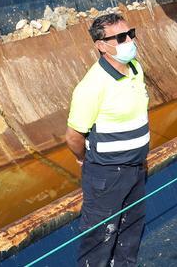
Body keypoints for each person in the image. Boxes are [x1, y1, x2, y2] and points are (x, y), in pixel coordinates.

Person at [66, 13, 150, 267]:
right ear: (101, 46)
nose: (129, 41)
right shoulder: (92, 86)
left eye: (130, 34)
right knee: (99, 242)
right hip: (106, 175)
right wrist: (83, 159)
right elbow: (73, 136)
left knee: (130, 235)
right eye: (121, 37)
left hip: (135, 169)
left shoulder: (135, 68)